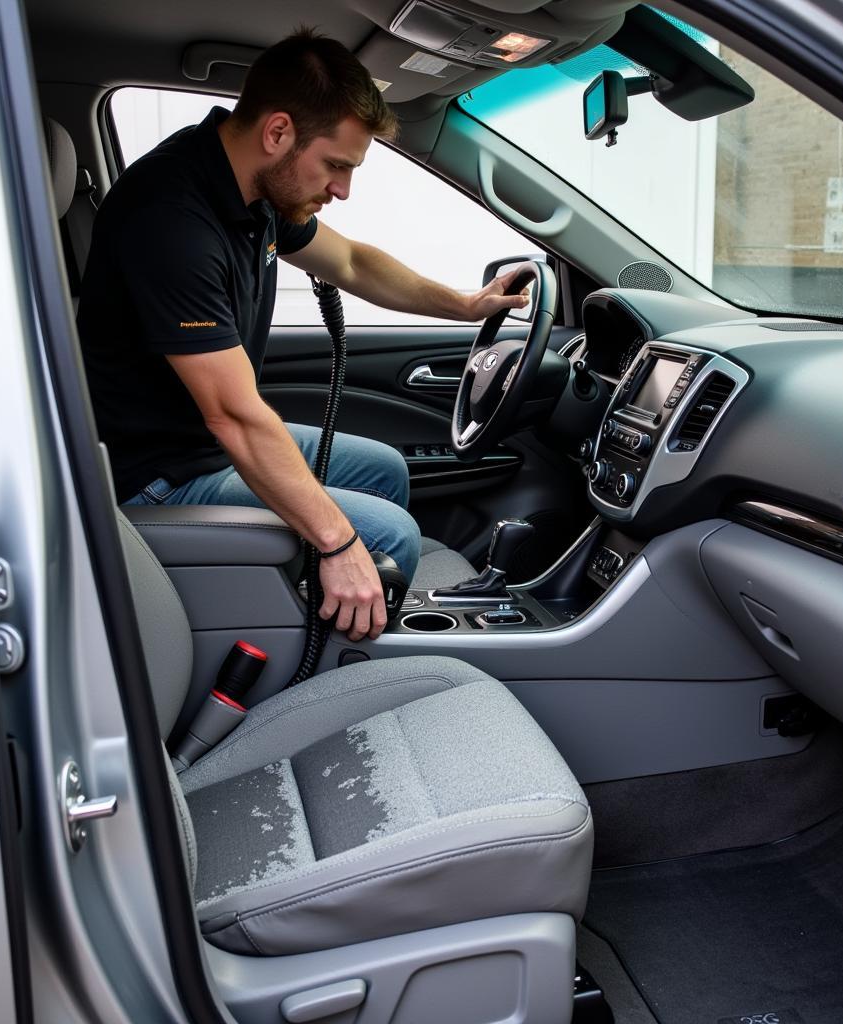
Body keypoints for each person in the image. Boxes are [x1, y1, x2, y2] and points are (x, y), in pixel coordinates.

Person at [77, 27, 527, 644]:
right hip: (155, 476)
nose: (342, 188)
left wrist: (467, 305)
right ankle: (325, 674)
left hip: (193, 444)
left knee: (385, 471)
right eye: (337, 165)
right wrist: (338, 542)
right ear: (278, 132)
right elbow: (234, 417)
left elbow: (351, 264)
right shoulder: (172, 222)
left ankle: (334, 621)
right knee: (384, 533)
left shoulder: (249, 185)